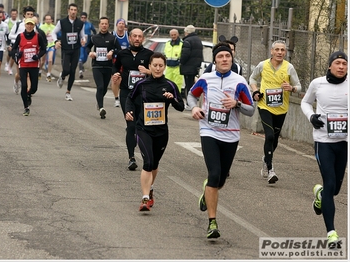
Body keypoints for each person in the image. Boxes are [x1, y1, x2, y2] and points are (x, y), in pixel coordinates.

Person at [188, 42, 255, 239]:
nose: (224, 59)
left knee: (221, 179)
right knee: (214, 174)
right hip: (209, 130)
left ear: (231, 59)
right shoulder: (206, 79)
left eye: (227, 56)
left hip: (231, 134)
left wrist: (237, 103)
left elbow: (251, 111)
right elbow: (191, 96)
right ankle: (212, 222)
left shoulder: (239, 81)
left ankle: (207, 192)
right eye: (220, 57)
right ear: (215, 60)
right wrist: (194, 108)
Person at [125, 52, 185, 211]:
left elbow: (181, 107)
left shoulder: (171, 85)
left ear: (164, 67)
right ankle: (145, 198)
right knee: (148, 162)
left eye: (161, 66)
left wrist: (171, 99)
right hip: (144, 128)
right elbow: (130, 98)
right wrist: (128, 111)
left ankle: (150, 189)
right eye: (155, 65)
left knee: (155, 164)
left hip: (161, 131)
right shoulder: (141, 84)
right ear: (149, 66)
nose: (158, 68)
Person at [300, 51, 348, 246]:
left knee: (334, 189)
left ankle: (320, 196)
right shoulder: (317, 83)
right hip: (323, 141)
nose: (342, 66)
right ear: (330, 66)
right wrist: (311, 117)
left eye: (345, 63)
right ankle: (331, 233)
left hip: (344, 142)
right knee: (329, 184)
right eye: (338, 63)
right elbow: (305, 102)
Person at [249, 40, 301, 184]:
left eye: (282, 50)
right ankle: (271, 170)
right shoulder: (262, 65)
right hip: (265, 106)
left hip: (281, 108)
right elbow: (252, 78)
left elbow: (299, 86)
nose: (279, 52)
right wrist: (255, 91)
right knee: (270, 135)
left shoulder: (289, 68)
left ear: (285, 52)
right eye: (277, 50)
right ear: (271, 51)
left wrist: (291, 88)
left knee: (275, 140)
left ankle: (266, 159)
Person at [111, 28, 153, 171]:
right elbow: (115, 67)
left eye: (139, 36)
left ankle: (144, 150)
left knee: (142, 126)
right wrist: (116, 74)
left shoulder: (149, 55)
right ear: (129, 38)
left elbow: (158, 72)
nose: (137, 39)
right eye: (134, 36)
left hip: (143, 96)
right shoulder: (122, 54)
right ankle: (131, 158)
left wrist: (148, 72)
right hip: (127, 95)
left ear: (143, 39)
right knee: (130, 125)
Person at [86, 16, 121, 118]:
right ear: (99, 25)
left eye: (106, 24)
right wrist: (90, 52)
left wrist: (113, 52)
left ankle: (99, 101)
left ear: (108, 25)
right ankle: (101, 108)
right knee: (100, 87)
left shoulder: (113, 38)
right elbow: (87, 47)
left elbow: (119, 50)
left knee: (104, 88)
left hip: (108, 66)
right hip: (97, 66)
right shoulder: (94, 38)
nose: (104, 25)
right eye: (102, 24)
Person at [12, 18, 46, 116]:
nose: (29, 26)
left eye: (31, 24)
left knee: (34, 88)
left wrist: (38, 56)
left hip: (34, 65)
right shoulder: (20, 36)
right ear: (25, 25)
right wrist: (18, 53)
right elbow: (13, 49)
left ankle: (29, 95)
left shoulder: (38, 36)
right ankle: (26, 107)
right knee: (24, 86)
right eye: (28, 24)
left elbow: (44, 49)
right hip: (23, 64)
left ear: (34, 26)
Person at [52, 3, 86, 101]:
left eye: (75, 10)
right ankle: (62, 76)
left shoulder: (80, 23)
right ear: (68, 10)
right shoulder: (62, 22)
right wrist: (56, 41)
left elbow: (82, 35)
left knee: (72, 71)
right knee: (66, 69)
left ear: (77, 11)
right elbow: (54, 32)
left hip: (76, 49)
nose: (73, 12)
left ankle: (68, 92)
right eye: (71, 9)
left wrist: (83, 40)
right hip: (66, 49)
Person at [8, 6, 35, 94]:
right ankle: (16, 82)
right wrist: (20, 38)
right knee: (20, 74)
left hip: (30, 52)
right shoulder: (18, 24)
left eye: (31, 14)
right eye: (28, 14)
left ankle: (28, 91)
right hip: (19, 52)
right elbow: (10, 35)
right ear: (24, 15)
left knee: (28, 74)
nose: (30, 16)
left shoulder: (34, 25)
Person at [180, 25, 203, 107]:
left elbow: (185, 54)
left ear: (187, 32)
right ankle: (191, 102)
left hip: (188, 66)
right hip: (195, 66)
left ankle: (189, 103)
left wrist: (181, 62)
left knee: (188, 85)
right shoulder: (198, 40)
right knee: (192, 84)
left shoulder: (187, 41)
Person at [111, 18, 130, 107]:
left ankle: (124, 97)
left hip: (125, 60)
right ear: (116, 25)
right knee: (115, 79)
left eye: (123, 23)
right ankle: (116, 98)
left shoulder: (127, 35)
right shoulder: (113, 35)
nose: (121, 25)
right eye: (120, 23)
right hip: (115, 60)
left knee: (123, 79)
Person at [78, 12, 96, 80]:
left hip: (87, 44)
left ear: (86, 18)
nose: (83, 19)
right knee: (81, 57)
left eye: (84, 18)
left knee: (85, 59)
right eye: (82, 18)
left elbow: (94, 31)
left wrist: (93, 36)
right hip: (80, 45)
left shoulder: (89, 25)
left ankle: (81, 65)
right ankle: (80, 71)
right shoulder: (78, 24)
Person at [39, 14, 56, 82]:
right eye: (47, 19)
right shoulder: (42, 27)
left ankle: (48, 74)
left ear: (52, 20)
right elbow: (39, 36)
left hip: (51, 45)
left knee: (50, 60)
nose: (48, 20)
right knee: (42, 61)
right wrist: (45, 34)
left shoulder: (54, 27)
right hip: (44, 45)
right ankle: (40, 71)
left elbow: (56, 35)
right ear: (44, 20)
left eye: (49, 19)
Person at [4, 8, 20, 75]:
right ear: (11, 14)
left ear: (17, 14)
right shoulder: (7, 21)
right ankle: (7, 63)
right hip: (9, 39)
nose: (14, 15)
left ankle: (10, 68)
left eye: (15, 14)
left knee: (14, 55)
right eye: (12, 14)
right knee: (9, 53)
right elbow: (5, 32)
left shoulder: (19, 22)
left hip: (16, 40)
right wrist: (6, 41)